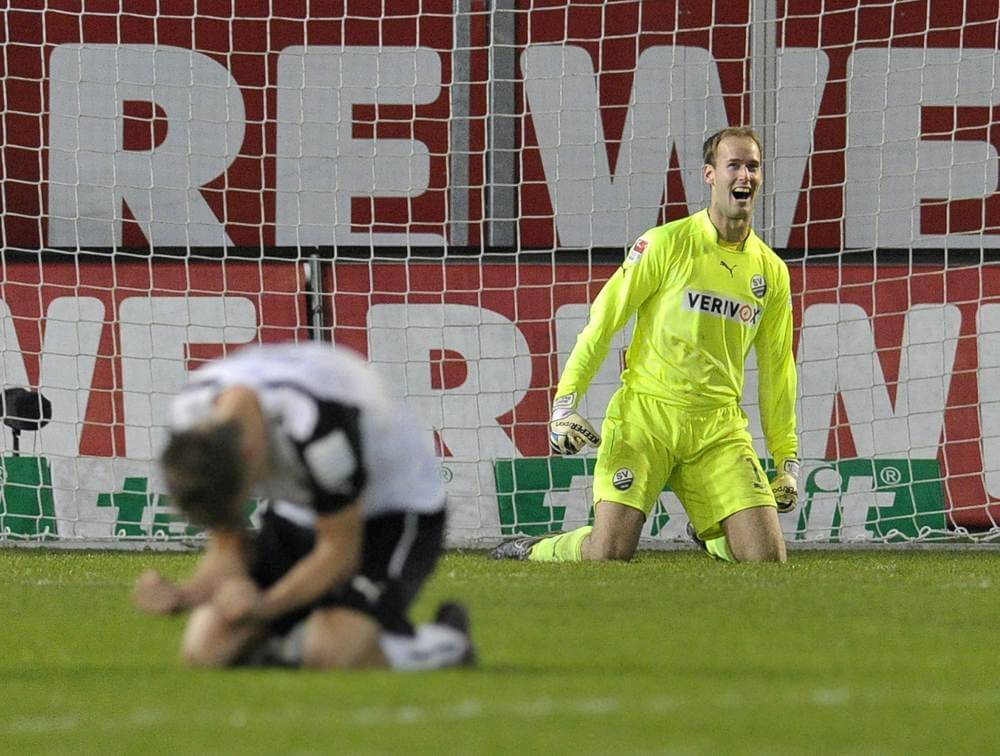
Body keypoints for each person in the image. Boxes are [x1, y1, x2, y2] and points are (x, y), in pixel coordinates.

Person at [492, 126, 799, 564]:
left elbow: (777, 369)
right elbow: (603, 322)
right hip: (646, 417)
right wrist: (565, 403)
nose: (744, 176)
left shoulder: (771, 272)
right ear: (710, 175)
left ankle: (711, 531)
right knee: (608, 553)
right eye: (733, 165)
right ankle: (538, 548)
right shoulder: (664, 244)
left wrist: (787, 461)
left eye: (752, 166)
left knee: (768, 561)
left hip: (718, 428)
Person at [133, 341, 475, 670]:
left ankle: (446, 642)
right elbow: (228, 547)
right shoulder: (193, 422)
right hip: (298, 510)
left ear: (252, 455)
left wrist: (265, 607)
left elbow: (339, 553)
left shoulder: (315, 423)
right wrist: (184, 595)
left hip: (394, 511)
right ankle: (297, 643)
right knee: (206, 650)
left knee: (332, 652)